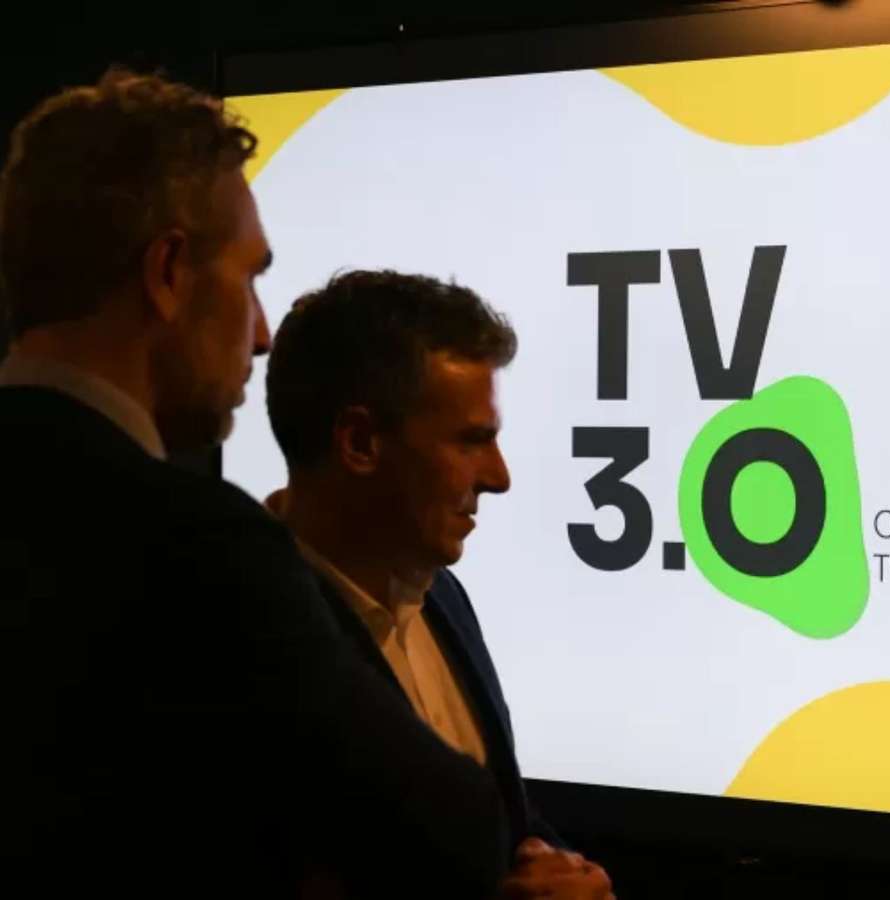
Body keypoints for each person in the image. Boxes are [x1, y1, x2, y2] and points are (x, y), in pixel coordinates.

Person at [0, 70, 509, 898]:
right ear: (168, 272)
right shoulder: (200, 549)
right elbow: (454, 837)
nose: (264, 333)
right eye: (248, 278)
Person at [264, 270, 615, 899]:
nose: (499, 477)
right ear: (360, 443)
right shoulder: (243, 638)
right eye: (471, 441)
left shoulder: (442, 596)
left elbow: (504, 830)